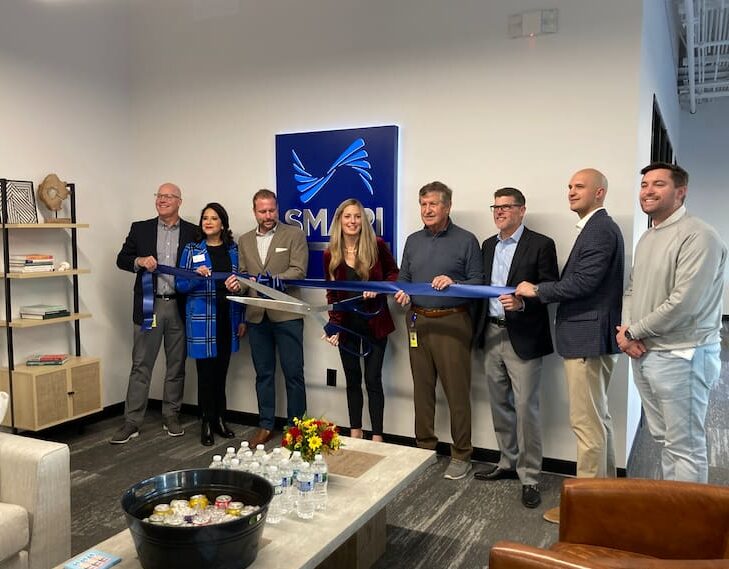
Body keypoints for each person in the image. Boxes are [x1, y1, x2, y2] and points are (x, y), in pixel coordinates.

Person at [515, 168, 624, 523]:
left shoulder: (600, 229)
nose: (572, 192)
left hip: (586, 339)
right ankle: (605, 498)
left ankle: (585, 512)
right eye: (569, 186)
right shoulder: (595, 228)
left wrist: (536, 289)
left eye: (580, 186)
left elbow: (583, 283)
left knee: (586, 427)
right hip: (589, 338)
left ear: (600, 192)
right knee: (598, 421)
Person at [617, 162, 726, 483]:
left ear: (680, 192)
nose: (648, 191)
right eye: (644, 185)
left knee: (685, 447)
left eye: (658, 184)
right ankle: (672, 504)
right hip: (645, 352)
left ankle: (690, 515)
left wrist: (633, 331)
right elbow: (632, 289)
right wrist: (626, 331)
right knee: (665, 439)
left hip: (683, 356)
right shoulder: (648, 237)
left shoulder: (699, 236)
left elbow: (684, 304)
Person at [473, 187, 558, 509]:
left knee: (526, 409)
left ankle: (530, 477)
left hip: (524, 336)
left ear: (522, 210)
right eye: (496, 206)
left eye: (507, 207)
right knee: (499, 405)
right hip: (491, 333)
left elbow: (550, 289)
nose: (499, 212)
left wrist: (522, 304)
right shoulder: (487, 245)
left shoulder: (541, 244)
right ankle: (507, 462)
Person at [394, 181, 483, 480]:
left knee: (457, 392)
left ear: (447, 207)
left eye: (433, 204)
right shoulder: (413, 240)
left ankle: (462, 454)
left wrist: (454, 283)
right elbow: (403, 279)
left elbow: (479, 283)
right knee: (422, 390)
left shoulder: (466, 240)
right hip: (417, 321)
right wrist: (402, 294)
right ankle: (424, 449)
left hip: (452, 322)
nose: (427, 210)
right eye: (423, 204)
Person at [111, 183, 197, 444]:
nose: (162, 200)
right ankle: (132, 421)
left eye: (168, 196)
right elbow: (122, 259)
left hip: (179, 307)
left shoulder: (193, 232)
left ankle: (171, 415)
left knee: (176, 365)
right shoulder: (140, 228)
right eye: (159, 196)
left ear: (179, 201)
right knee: (141, 365)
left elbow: (202, 263)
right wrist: (139, 261)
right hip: (149, 306)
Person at [231, 189, 308, 448]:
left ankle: (297, 429)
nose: (268, 215)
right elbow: (244, 276)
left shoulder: (294, 234)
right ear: (254, 212)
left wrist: (274, 280)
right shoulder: (244, 240)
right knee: (263, 374)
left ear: (277, 208)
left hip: (287, 314)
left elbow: (298, 270)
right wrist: (237, 285)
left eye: (271, 210)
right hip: (256, 316)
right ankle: (265, 425)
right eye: (262, 211)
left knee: (293, 373)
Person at [322, 199, 400, 442]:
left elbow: (394, 274)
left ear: (363, 220)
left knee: (373, 380)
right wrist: (333, 326)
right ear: (339, 220)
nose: (352, 221)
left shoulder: (377, 245)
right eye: (347, 216)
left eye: (357, 216)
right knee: (352, 379)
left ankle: (377, 436)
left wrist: (378, 287)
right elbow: (332, 294)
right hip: (347, 327)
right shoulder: (330, 253)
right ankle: (355, 431)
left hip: (375, 324)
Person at [176, 203, 244, 446]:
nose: (208, 222)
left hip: (227, 317)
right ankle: (206, 421)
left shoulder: (233, 250)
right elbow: (180, 285)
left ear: (222, 224)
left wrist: (242, 318)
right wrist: (196, 277)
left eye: (214, 218)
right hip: (202, 320)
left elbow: (241, 285)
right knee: (205, 374)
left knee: (221, 373)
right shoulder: (191, 249)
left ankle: (219, 420)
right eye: (205, 218)